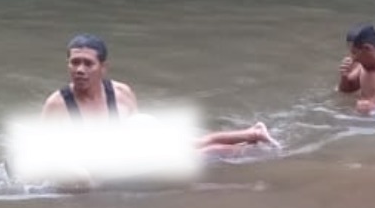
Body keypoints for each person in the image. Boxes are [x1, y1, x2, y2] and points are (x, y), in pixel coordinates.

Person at [43, 33, 277, 155]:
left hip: (134, 152)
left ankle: (255, 143)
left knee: (201, 148)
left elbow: (136, 126)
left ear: (103, 67)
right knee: (203, 147)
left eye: (87, 64)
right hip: (109, 159)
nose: (80, 70)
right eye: (74, 63)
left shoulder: (121, 92)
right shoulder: (57, 105)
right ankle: (253, 134)